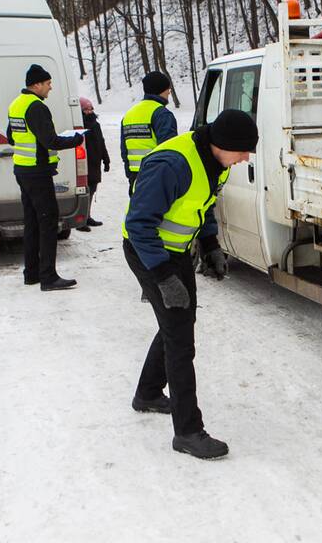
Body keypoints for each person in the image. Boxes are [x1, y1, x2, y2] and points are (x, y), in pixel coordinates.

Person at [122, 109, 259, 460]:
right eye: (242, 151)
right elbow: (139, 225)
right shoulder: (172, 165)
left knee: (178, 324)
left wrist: (211, 246)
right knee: (181, 340)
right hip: (148, 251)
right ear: (222, 143)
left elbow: (204, 205)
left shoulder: (216, 162)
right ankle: (188, 431)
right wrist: (164, 277)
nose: (245, 158)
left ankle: (149, 392)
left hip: (177, 251)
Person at [6, 63, 84, 291]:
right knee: (49, 222)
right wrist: (77, 139)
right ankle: (48, 277)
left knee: (32, 222)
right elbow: (50, 141)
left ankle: (31, 273)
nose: (50, 88)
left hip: (22, 170)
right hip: (38, 173)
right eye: (48, 83)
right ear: (37, 84)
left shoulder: (16, 105)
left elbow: (12, 137)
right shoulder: (36, 107)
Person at [120, 71, 178, 196]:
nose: (169, 92)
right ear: (161, 89)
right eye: (168, 89)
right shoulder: (162, 114)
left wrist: (131, 176)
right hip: (157, 176)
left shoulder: (129, 114)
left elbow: (124, 151)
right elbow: (169, 150)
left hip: (135, 177)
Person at [77, 96, 110, 231]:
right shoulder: (80, 126)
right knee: (85, 191)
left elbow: (101, 143)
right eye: (86, 109)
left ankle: (87, 216)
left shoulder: (96, 125)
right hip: (84, 162)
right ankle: (81, 220)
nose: (89, 112)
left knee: (92, 189)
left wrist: (106, 160)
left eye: (91, 109)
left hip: (95, 163)